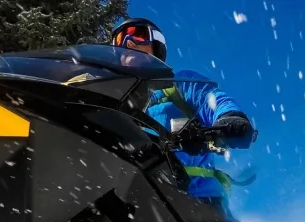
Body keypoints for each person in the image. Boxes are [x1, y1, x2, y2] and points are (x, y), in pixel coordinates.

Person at [110, 17, 258, 205]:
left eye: (139, 35)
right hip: (134, 197)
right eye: (121, 38)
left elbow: (210, 99)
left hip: (197, 199)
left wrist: (229, 116)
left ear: (156, 46)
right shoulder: (114, 99)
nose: (129, 42)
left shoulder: (177, 84)